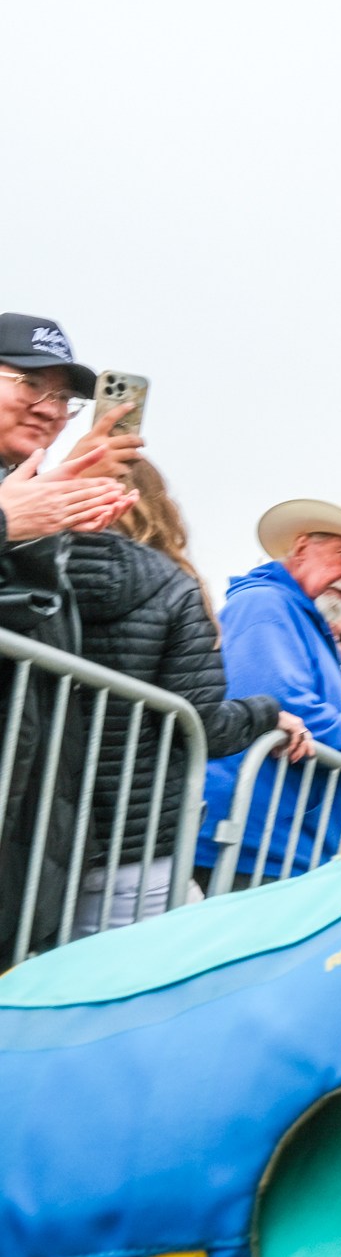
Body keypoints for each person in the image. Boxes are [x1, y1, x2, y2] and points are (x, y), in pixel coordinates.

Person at [65, 458, 313, 934]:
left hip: (37, 838)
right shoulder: (173, 588)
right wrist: (268, 712)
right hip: (132, 844)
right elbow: (200, 725)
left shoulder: (28, 563)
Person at [193, 499, 341, 887]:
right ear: (302, 547)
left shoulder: (295, 616)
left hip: (276, 844)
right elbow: (283, 702)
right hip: (251, 842)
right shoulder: (266, 604)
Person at [0, 312, 136, 961]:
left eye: (62, 395)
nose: (50, 408)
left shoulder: (29, 495)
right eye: (29, 384)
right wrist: (5, 522)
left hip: (26, 814)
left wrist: (45, 523)